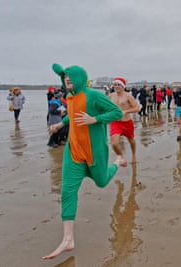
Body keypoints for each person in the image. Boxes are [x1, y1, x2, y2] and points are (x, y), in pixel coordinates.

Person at [43, 63, 124, 260]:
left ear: (80, 79)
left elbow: (117, 113)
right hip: (74, 152)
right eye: (65, 80)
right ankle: (68, 239)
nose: (68, 82)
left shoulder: (93, 95)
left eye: (71, 79)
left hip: (93, 152)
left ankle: (118, 162)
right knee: (67, 191)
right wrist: (59, 125)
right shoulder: (69, 97)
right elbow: (72, 116)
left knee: (102, 182)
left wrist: (94, 120)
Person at [109, 77, 141, 165]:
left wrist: (126, 111)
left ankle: (134, 154)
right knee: (114, 143)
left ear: (123, 86)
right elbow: (105, 107)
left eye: (118, 84)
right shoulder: (111, 96)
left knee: (131, 140)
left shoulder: (128, 96)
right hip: (115, 122)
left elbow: (137, 108)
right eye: (115, 85)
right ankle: (120, 157)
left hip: (126, 122)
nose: (116, 86)